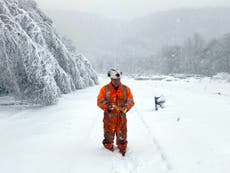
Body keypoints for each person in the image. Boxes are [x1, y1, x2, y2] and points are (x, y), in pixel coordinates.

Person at [97, 68, 134, 156]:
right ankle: (108, 152)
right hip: (109, 118)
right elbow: (99, 101)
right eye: (115, 79)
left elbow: (131, 101)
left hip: (121, 118)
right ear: (111, 79)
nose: (117, 81)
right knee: (108, 136)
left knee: (122, 135)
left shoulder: (126, 89)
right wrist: (107, 107)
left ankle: (122, 150)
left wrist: (126, 107)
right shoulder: (104, 89)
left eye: (118, 79)